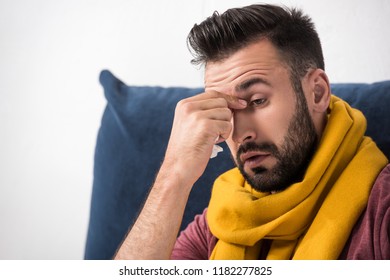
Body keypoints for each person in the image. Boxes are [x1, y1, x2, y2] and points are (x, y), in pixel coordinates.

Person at [114, 4, 389, 260]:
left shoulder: (381, 207)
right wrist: (174, 175)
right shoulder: (221, 221)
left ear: (317, 93)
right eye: (225, 110)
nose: (239, 133)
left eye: (257, 101)